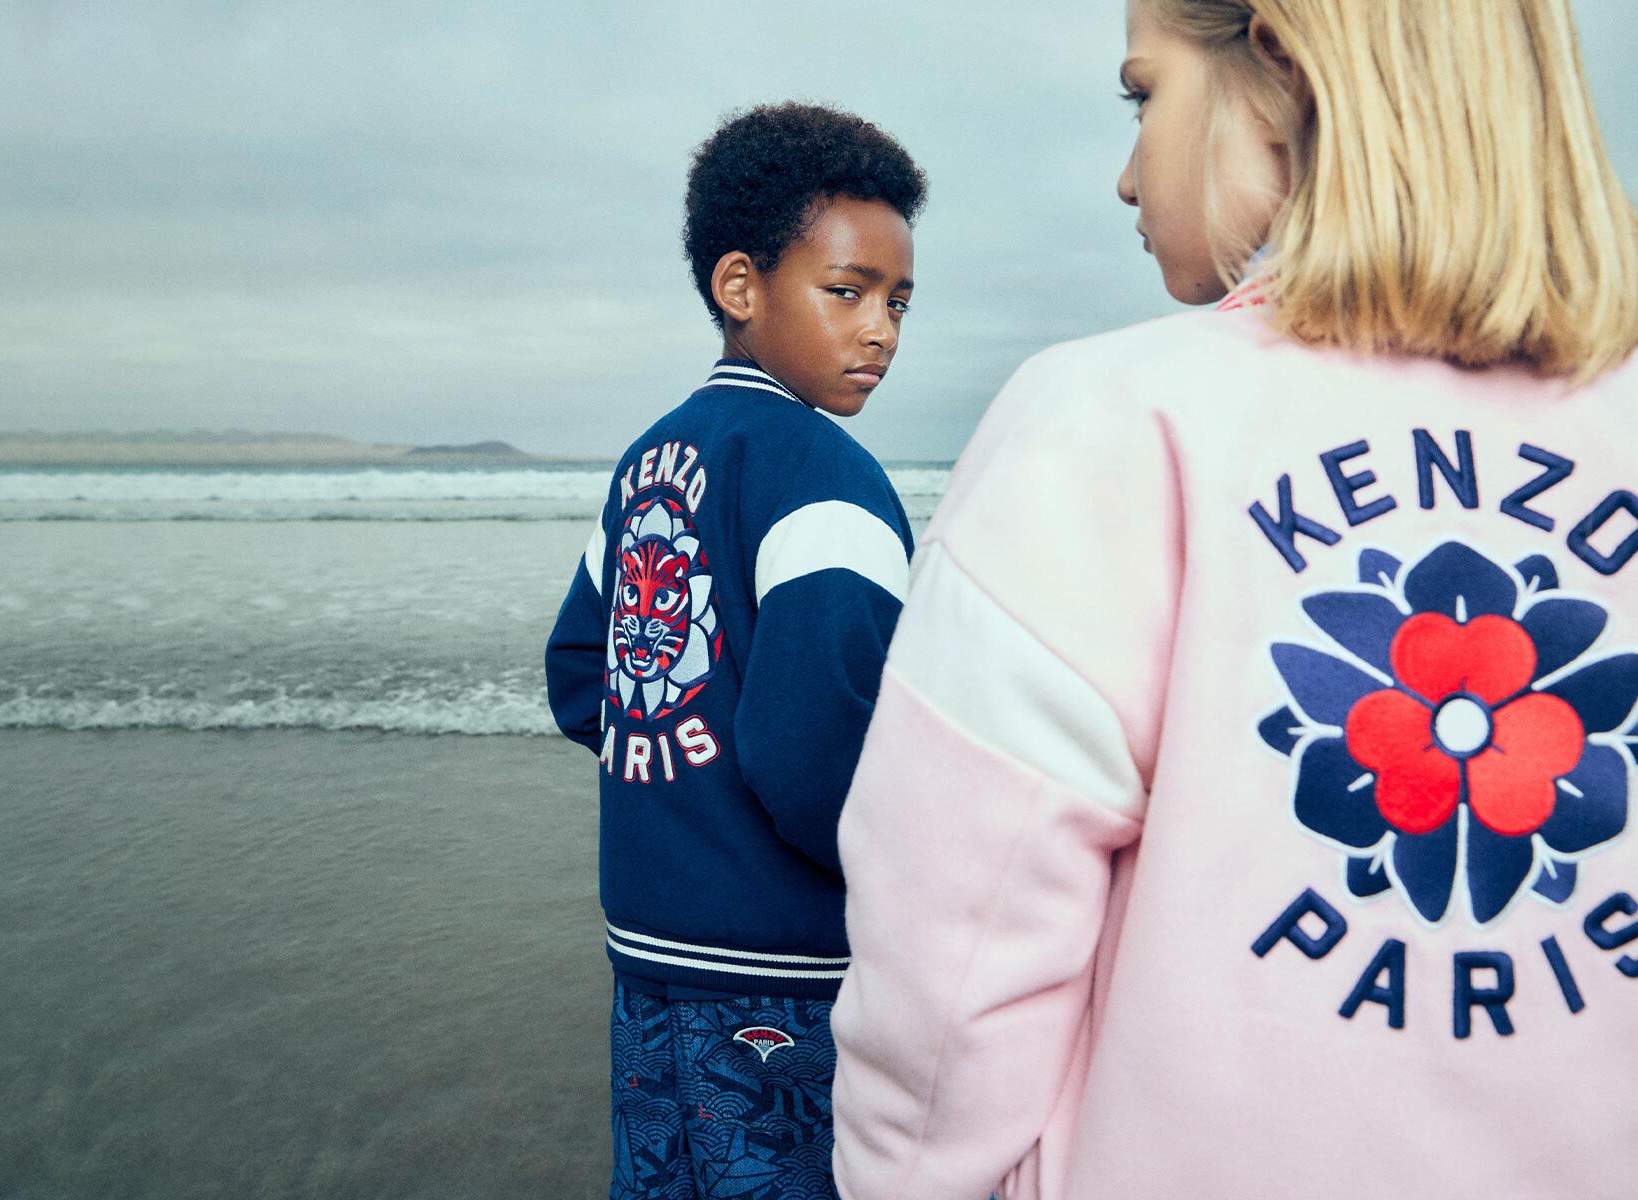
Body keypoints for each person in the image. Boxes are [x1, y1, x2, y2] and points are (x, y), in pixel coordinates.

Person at [831, 2, 1638, 1198]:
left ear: (1281, 63)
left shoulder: (1107, 426)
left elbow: (948, 979)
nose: (1126, 175)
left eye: (1142, 94)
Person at [542, 102, 925, 1199]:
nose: (881, 330)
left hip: (649, 950)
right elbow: (813, 748)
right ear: (741, 286)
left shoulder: (649, 462)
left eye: (899, 301)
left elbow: (580, 676)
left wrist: (683, 780)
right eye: (847, 291)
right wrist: (914, 880)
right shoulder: (824, 472)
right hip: (785, 970)